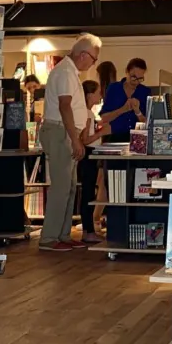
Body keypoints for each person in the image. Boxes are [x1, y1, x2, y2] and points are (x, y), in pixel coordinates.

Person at [38, 33, 102, 252]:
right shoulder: (65, 72)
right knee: (62, 187)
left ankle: (63, 234)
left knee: (70, 187)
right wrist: (75, 139)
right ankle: (49, 237)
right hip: (60, 131)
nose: (94, 63)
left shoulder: (70, 72)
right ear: (83, 54)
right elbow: (65, 106)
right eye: (94, 58)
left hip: (66, 131)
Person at [76, 79, 109, 244]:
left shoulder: (87, 113)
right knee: (88, 193)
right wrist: (101, 132)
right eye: (97, 92)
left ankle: (89, 230)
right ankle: (88, 231)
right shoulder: (87, 114)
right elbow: (85, 139)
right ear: (90, 95)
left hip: (90, 155)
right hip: (88, 155)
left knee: (89, 192)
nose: (100, 95)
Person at [99, 57, 151, 143]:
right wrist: (123, 109)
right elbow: (104, 118)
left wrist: (138, 112)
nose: (136, 82)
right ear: (127, 72)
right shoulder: (113, 89)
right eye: (133, 77)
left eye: (140, 79)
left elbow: (148, 123)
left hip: (137, 140)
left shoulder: (145, 92)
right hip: (114, 139)